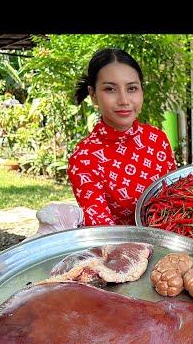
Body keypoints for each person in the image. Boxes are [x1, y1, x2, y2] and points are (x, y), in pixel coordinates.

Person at [68, 48, 177, 226]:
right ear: (93, 95)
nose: (124, 100)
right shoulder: (84, 159)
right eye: (110, 89)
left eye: (132, 88)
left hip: (173, 242)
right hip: (123, 250)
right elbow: (105, 234)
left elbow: (177, 197)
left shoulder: (156, 139)